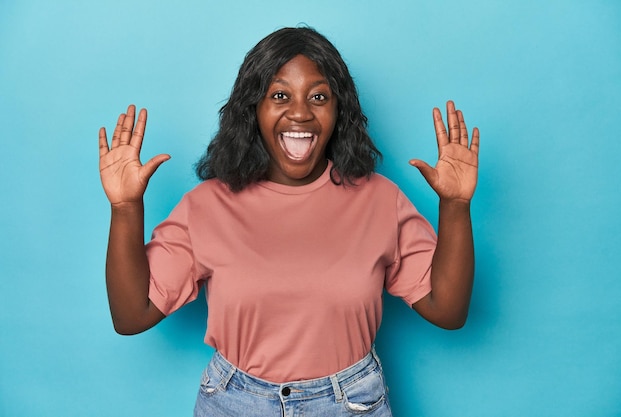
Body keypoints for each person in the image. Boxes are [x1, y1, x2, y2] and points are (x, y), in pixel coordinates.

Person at [98, 27, 479, 417]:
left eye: (318, 97)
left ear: (339, 111)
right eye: (280, 95)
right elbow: (131, 316)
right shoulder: (206, 206)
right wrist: (126, 208)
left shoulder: (381, 200)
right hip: (235, 403)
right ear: (253, 109)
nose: (300, 112)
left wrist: (455, 205)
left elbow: (448, 311)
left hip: (350, 404)